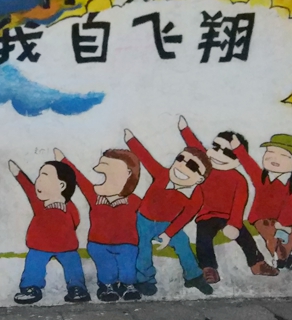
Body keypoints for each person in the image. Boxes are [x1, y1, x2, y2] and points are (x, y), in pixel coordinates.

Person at [177, 116, 278, 282]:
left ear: (237, 159)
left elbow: (239, 203)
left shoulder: (239, 179)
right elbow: (196, 147)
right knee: (203, 239)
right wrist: (184, 129)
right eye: (216, 147)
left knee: (245, 237)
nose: (218, 154)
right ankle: (208, 268)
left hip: (229, 217)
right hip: (206, 216)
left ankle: (257, 263)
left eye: (227, 152)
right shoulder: (206, 169)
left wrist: (235, 224)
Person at [124, 129, 213, 296]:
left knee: (182, 242)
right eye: (180, 159)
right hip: (143, 219)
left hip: (167, 224)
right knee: (142, 246)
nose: (182, 165)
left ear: (200, 178)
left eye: (192, 166)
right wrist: (130, 139)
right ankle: (145, 280)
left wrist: (168, 234)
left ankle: (193, 276)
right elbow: (146, 157)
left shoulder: (196, 196)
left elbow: (185, 218)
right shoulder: (162, 174)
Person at [55, 148, 142, 302]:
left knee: (128, 270)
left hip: (128, 243)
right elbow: (80, 179)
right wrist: (64, 161)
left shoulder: (134, 200)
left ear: (129, 173)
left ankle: (128, 286)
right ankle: (107, 287)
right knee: (107, 270)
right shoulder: (95, 195)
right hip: (99, 243)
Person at [7, 159, 91, 305]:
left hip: (66, 246)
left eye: (45, 177)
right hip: (40, 245)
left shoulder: (68, 206)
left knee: (73, 264)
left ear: (62, 185)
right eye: (39, 176)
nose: (38, 181)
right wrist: (17, 173)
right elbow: (27, 187)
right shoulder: (39, 203)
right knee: (34, 264)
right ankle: (30, 288)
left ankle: (77, 288)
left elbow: (75, 221)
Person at [231, 133, 292, 269]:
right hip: (262, 217)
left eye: (284, 155)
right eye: (270, 152)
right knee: (271, 236)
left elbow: (290, 205)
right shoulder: (261, 178)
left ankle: (286, 255)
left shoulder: (289, 184)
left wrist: (283, 224)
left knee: (288, 237)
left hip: (285, 220)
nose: (274, 158)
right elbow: (249, 164)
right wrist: (237, 147)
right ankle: (280, 256)